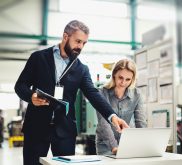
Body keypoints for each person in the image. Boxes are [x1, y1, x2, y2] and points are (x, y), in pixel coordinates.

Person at [14, 20, 129, 165]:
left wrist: (113, 117)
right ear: (65, 36)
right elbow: (20, 86)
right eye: (78, 41)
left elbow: (93, 95)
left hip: (65, 130)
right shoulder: (38, 58)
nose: (80, 47)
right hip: (36, 127)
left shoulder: (81, 69)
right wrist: (31, 97)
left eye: (84, 43)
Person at [95, 59, 147, 155]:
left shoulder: (137, 94)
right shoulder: (102, 93)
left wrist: (143, 145)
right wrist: (114, 147)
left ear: (132, 79)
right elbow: (103, 123)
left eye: (128, 79)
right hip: (106, 146)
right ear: (114, 74)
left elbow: (141, 122)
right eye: (120, 77)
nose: (123, 82)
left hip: (129, 144)